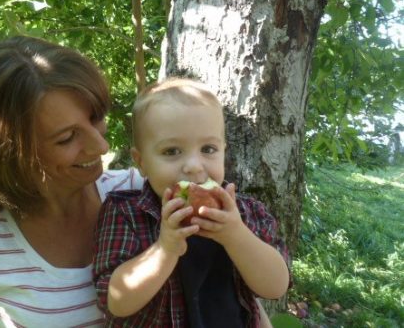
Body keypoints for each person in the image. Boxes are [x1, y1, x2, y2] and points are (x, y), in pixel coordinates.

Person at [0, 36, 144, 328]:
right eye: (67, 138)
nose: (100, 146)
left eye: (96, 118)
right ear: (10, 153)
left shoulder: (138, 194)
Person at [92, 78, 290, 327]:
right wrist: (165, 249)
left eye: (208, 149)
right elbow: (117, 301)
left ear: (223, 151)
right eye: (172, 151)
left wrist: (236, 235)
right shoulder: (125, 213)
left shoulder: (246, 212)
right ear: (140, 162)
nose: (194, 166)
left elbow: (276, 287)